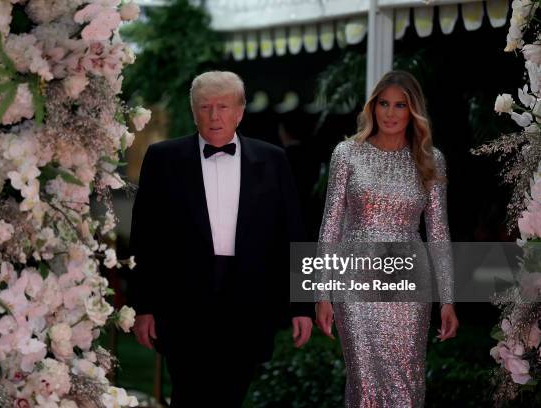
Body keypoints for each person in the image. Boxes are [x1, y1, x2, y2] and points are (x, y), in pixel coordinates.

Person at [129, 71, 314, 407]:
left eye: (223, 107)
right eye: (205, 107)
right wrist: (144, 307)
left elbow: (293, 233)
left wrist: (301, 305)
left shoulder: (272, 160)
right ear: (193, 111)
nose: (214, 116)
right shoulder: (162, 159)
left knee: (232, 395)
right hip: (183, 302)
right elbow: (145, 238)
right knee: (188, 394)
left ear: (240, 112)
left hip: (249, 301)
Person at [315, 71, 459, 407]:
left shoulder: (430, 159)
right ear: (373, 106)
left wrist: (449, 299)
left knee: (406, 381)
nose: (390, 113)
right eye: (384, 104)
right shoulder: (347, 153)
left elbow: (438, 233)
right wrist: (321, 292)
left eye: (400, 105)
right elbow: (330, 226)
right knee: (364, 382)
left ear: (413, 112)